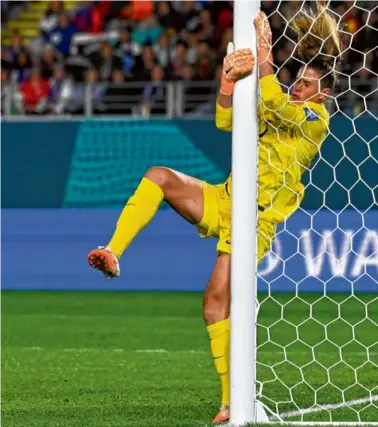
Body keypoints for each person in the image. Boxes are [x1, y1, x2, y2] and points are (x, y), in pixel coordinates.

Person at [87, 7, 342, 424]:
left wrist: (265, 60)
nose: (298, 87)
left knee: (214, 305)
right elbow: (226, 119)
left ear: (324, 94)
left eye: (307, 84)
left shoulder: (315, 120)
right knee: (159, 176)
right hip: (227, 197)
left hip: (254, 218)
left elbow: (275, 100)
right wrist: (227, 82)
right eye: (298, 81)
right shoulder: (275, 108)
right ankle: (113, 252)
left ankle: (232, 403)